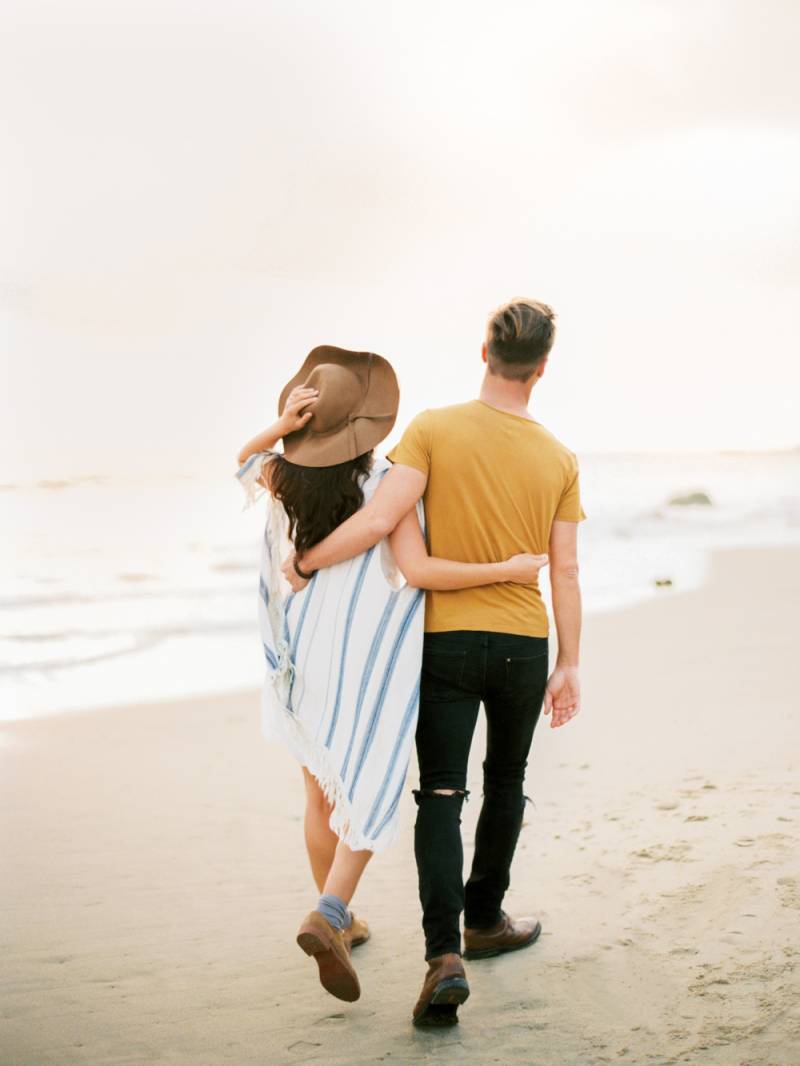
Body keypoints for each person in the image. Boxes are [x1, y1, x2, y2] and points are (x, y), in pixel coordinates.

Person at [283, 300, 586, 1027]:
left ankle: (443, 956)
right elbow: (566, 571)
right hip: (523, 642)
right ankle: (486, 920)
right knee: (506, 782)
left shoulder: (432, 429)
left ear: (485, 352)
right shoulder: (559, 457)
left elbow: (380, 521)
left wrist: (306, 560)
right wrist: (570, 664)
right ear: (542, 367)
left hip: (447, 642)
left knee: (441, 799)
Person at [235, 345, 547, 1005]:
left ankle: (341, 919)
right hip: (363, 661)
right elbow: (416, 570)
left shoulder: (280, 477)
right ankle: (331, 912)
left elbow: (242, 460)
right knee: (371, 785)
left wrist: (282, 426)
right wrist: (507, 571)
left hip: (301, 651)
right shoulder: (386, 485)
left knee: (320, 792)